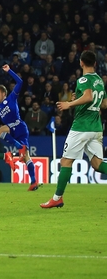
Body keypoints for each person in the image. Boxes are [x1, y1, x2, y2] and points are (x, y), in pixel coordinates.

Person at [41, 51, 107, 208]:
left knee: (66, 161)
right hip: (96, 126)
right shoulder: (99, 80)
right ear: (95, 64)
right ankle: (57, 198)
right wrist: (80, 101)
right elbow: (103, 104)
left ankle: (57, 198)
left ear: (81, 63)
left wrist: (69, 104)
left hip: (81, 127)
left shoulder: (84, 79)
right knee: (97, 164)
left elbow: (89, 97)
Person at [0, 64, 37, 190]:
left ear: (4, 94)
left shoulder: (11, 98)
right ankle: (34, 182)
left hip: (19, 126)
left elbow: (20, 82)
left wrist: (9, 71)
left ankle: (19, 147)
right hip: (13, 131)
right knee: (26, 157)